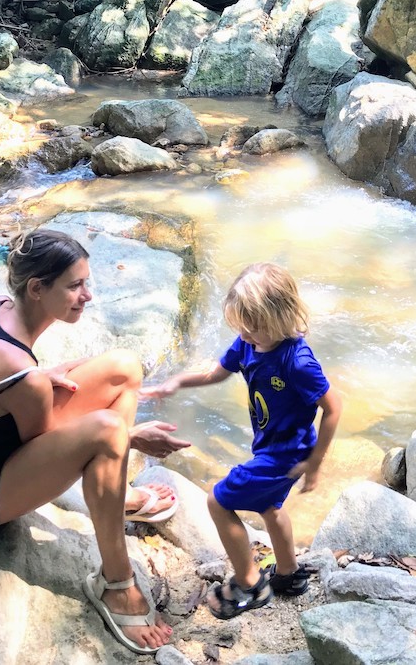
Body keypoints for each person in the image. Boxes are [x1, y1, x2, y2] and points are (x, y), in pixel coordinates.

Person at [0, 228, 191, 656]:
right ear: (36, 289)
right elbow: (47, 445)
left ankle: (117, 495)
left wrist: (32, 378)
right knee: (108, 430)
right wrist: (131, 438)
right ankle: (115, 583)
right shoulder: (22, 375)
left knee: (124, 368)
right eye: (75, 286)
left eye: (86, 282)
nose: (88, 295)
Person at [141, 262, 342, 618]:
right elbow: (217, 372)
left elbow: (334, 408)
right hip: (269, 446)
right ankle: (289, 574)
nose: (246, 336)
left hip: (286, 454)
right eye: (242, 328)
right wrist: (177, 382)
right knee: (270, 508)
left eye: (254, 328)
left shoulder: (297, 362)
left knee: (218, 501)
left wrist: (315, 463)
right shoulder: (250, 343)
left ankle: (250, 584)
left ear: (281, 317)